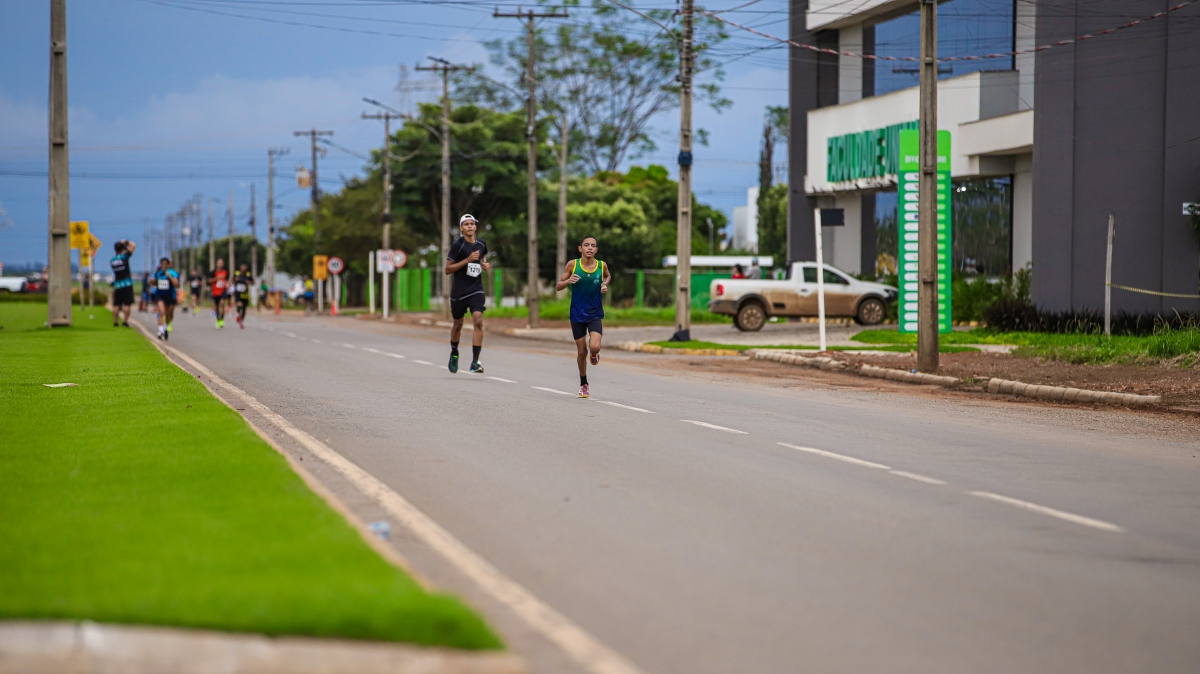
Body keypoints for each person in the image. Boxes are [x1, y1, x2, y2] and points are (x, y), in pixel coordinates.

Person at [555, 235, 609, 398]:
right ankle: (583, 383)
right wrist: (568, 281)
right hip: (577, 314)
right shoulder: (573, 265)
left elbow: (607, 275)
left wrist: (604, 284)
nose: (590, 248)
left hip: (595, 313)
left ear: (596, 249)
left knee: (594, 347)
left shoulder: (601, 265)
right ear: (580, 248)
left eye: (593, 245)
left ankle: (595, 354)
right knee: (581, 351)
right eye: (586, 245)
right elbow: (558, 286)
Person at [444, 214, 490, 374]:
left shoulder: (481, 244)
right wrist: (467, 260)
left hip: (476, 289)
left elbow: (482, 258)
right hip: (459, 291)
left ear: (475, 227)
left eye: (472, 224)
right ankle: (454, 352)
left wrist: (484, 264)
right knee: (458, 324)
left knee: (478, 320)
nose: (469, 226)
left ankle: (475, 361)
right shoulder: (458, 245)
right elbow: (447, 269)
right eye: (466, 224)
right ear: (461, 228)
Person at [109, 240, 137, 327]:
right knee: (127, 304)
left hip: (117, 284)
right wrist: (125, 242)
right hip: (127, 283)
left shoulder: (112, 260)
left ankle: (115, 321)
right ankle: (125, 321)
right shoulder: (124, 257)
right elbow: (133, 246)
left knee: (116, 304)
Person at [151, 257, 180, 340]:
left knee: (168, 314)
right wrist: (152, 281)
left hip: (169, 295)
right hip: (160, 295)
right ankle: (160, 331)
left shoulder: (173, 273)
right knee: (162, 312)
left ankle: (165, 327)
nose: (163, 265)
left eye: (165, 264)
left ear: (168, 264)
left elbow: (177, 285)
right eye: (162, 264)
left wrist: (169, 276)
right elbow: (154, 283)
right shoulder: (158, 273)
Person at [208, 258, 229, 328]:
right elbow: (209, 280)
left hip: (223, 291)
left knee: (222, 303)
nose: (220, 264)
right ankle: (218, 319)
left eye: (221, 263)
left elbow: (227, 280)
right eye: (219, 263)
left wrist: (228, 284)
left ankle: (222, 319)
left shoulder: (225, 272)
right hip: (215, 291)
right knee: (216, 307)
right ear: (216, 264)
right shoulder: (213, 272)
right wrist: (217, 278)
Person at [232, 263, 252, 329]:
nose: (244, 268)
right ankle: (238, 314)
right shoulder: (236, 273)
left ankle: (241, 321)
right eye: (242, 266)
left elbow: (252, 282)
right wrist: (236, 280)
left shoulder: (248, 274)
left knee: (244, 308)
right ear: (240, 267)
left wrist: (249, 282)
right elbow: (232, 280)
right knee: (239, 304)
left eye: (245, 266)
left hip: (245, 294)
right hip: (238, 292)